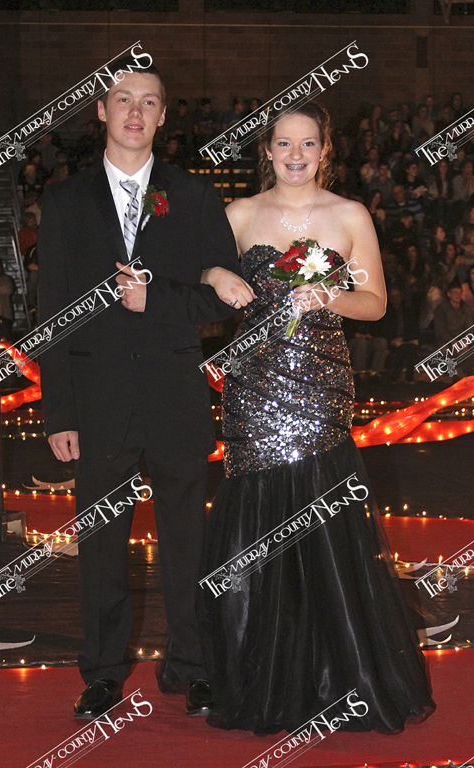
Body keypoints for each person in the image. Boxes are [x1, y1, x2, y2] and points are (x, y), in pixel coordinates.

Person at [198, 102, 435, 735]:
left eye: (308, 144)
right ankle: (260, 678)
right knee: (254, 527)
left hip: (320, 389)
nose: (296, 155)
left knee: (326, 528)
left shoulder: (349, 215)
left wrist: (330, 294)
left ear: (325, 150)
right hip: (252, 392)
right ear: (267, 151)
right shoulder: (239, 214)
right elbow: (194, 271)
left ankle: (337, 680)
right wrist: (216, 272)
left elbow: (376, 302)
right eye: (284, 144)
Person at [37, 58, 253, 720]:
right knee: (102, 546)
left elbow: (222, 300)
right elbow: (52, 313)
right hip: (96, 398)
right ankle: (102, 672)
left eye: (148, 101)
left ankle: (192, 665)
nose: (135, 111)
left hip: (175, 394)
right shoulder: (65, 201)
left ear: (163, 116)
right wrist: (58, 411)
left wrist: (154, 299)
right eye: (123, 99)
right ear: (101, 111)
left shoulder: (193, 195)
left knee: (189, 541)